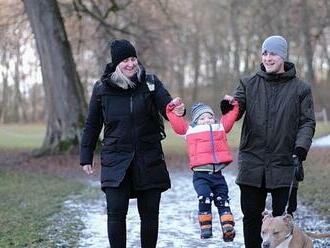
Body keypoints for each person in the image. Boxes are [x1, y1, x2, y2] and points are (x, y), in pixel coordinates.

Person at [80, 39, 185, 248]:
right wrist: (86, 156)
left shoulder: (151, 82)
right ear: (116, 63)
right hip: (116, 160)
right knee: (116, 213)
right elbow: (92, 124)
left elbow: (168, 107)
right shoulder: (102, 88)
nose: (131, 64)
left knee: (149, 216)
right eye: (125, 60)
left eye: (133, 58)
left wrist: (176, 109)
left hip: (149, 158)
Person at [233, 35, 316, 248]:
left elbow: (307, 122)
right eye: (265, 53)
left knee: (284, 221)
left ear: (283, 56)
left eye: (273, 53)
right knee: (251, 219)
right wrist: (228, 107)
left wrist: (301, 148)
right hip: (252, 163)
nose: (268, 58)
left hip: (285, 162)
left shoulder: (301, 89)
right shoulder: (248, 84)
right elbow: (235, 110)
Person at [166, 96, 238, 242]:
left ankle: (228, 227)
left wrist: (234, 104)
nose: (207, 120)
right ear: (195, 121)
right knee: (204, 198)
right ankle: (205, 227)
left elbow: (230, 116)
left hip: (218, 175)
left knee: (223, 200)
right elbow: (176, 122)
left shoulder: (220, 128)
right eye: (202, 118)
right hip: (201, 176)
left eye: (209, 117)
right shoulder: (190, 131)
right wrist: (172, 107)